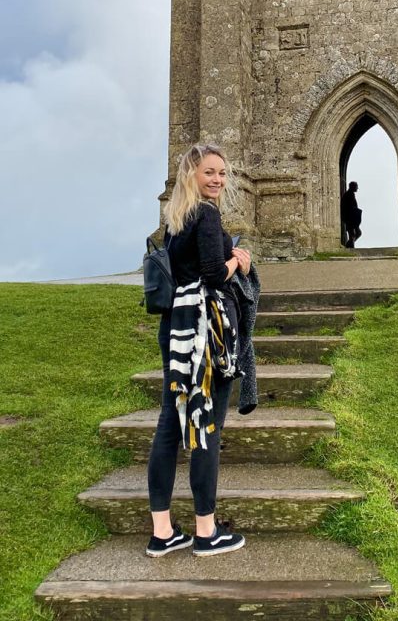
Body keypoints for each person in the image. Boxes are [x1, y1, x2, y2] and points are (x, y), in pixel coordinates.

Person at [146, 143, 254, 558]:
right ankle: (206, 532)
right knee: (207, 422)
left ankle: (163, 532)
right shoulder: (206, 214)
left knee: (170, 425)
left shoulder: (177, 217)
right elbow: (212, 273)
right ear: (191, 174)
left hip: (176, 329)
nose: (218, 180)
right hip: (206, 330)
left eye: (223, 174)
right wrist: (238, 261)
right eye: (209, 172)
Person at [340, 181, 362, 248]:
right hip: (350, 218)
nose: (357, 188)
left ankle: (348, 246)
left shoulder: (350, 194)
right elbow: (349, 208)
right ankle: (349, 247)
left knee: (356, 233)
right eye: (356, 186)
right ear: (353, 187)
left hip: (351, 218)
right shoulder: (349, 195)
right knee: (353, 234)